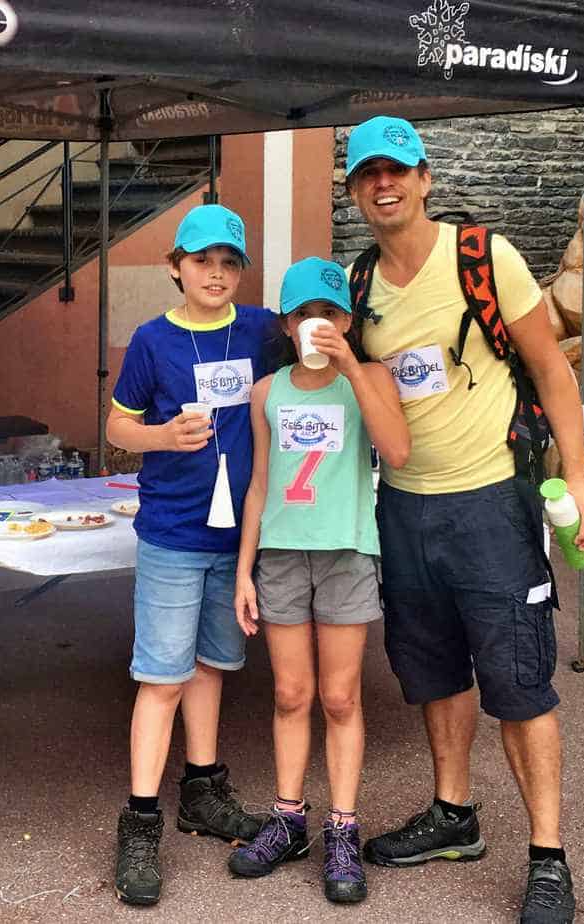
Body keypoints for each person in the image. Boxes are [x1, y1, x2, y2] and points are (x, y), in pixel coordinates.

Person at [340, 116, 584, 924]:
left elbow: (552, 371)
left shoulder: (483, 258)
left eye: (396, 170)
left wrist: (580, 475)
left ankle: (548, 857)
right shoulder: (358, 284)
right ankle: (452, 816)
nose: (382, 185)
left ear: (423, 178)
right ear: (354, 192)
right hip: (404, 510)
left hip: (491, 503)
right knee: (433, 672)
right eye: (365, 175)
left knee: (519, 685)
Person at [102, 203, 276, 906]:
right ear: (175, 266)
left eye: (228, 261)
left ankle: (201, 789)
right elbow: (115, 425)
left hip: (236, 539)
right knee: (161, 677)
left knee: (210, 666)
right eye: (201, 260)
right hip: (172, 531)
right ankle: (140, 822)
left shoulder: (261, 329)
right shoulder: (151, 341)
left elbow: (317, 348)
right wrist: (162, 436)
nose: (215, 272)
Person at [229, 257, 410, 903]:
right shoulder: (265, 392)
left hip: (346, 553)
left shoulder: (367, 380)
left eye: (329, 313)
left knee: (340, 698)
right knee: (288, 693)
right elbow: (257, 485)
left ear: (347, 320)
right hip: (280, 553)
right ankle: (287, 818)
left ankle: (341, 826)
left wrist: (354, 369)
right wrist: (244, 570)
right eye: (304, 313)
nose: (317, 324)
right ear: (286, 322)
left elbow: (396, 451)